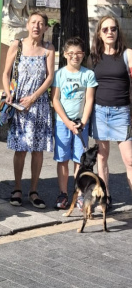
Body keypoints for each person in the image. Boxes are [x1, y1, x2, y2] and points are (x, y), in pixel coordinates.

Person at [2, 11, 54, 208]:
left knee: (37, 150)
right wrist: (8, 94)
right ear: (27, 25)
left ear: (46, 28)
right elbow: (6, 74)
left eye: (41, 23)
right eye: (33, 22)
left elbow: (49, 78)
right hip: (19, 106)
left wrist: (33, 98)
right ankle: (17, 188)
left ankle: (33, 190)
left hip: (38, 105)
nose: (36, 26)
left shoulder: (49, 49)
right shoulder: (17, 45)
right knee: (20, 149)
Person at [89, 15, 132, 210]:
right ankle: (105, 196)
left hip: (121, 113)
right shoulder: (94, 56)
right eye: (105, 29)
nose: (109, 32)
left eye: (113, 29)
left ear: (118, 32)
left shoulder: (127, 54)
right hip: (99, 113)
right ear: (99, 33)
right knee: (102, 158)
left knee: (129, 159)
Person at [52, 37, 97, 210]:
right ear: (64, 54)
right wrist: (67, 122)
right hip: (63, 123)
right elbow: (55, 100)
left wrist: (83, 122)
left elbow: (89, 100)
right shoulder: (60, 74)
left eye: (78, 53)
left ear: (83, 55)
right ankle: (63, 193)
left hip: (81, 124)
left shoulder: (88, 74)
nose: (75, 56)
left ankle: (78, 193)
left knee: (80, 159)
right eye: (71, 53)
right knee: (62, 159)